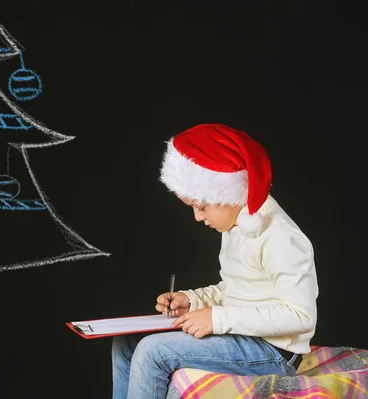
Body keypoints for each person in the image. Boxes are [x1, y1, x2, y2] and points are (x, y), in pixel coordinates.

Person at [111, 123, 319, 399]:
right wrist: (193, 300)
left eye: (202, 207)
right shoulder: (234, 223)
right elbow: (237, 289)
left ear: (228, 192)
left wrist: (217, 318)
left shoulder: (280, 237)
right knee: (125, 344)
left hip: (272, 352)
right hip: (243, 336)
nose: (198, 217)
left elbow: (300, 316)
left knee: (153, 352)